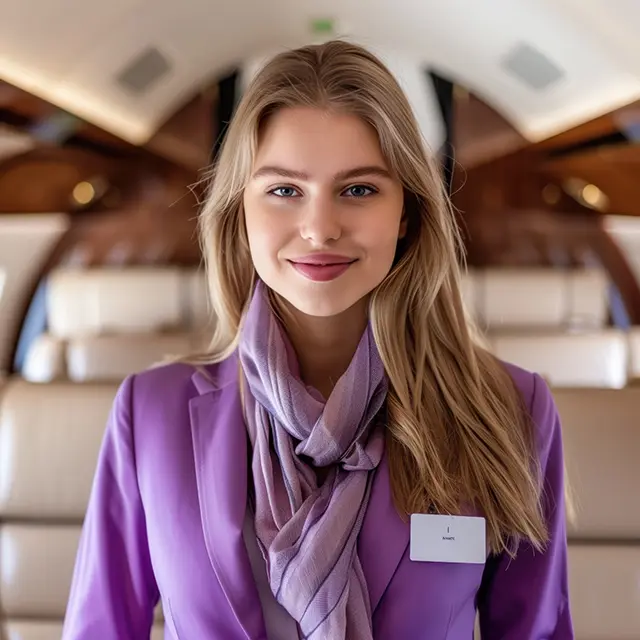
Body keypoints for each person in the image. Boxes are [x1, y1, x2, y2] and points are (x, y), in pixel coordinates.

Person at [62, 40, 574, 639]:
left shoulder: (509, 408)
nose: (319, 227)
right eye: (284, 190)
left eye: (358, 190)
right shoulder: (151, 413)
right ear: (240, 213)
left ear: (406, 212)